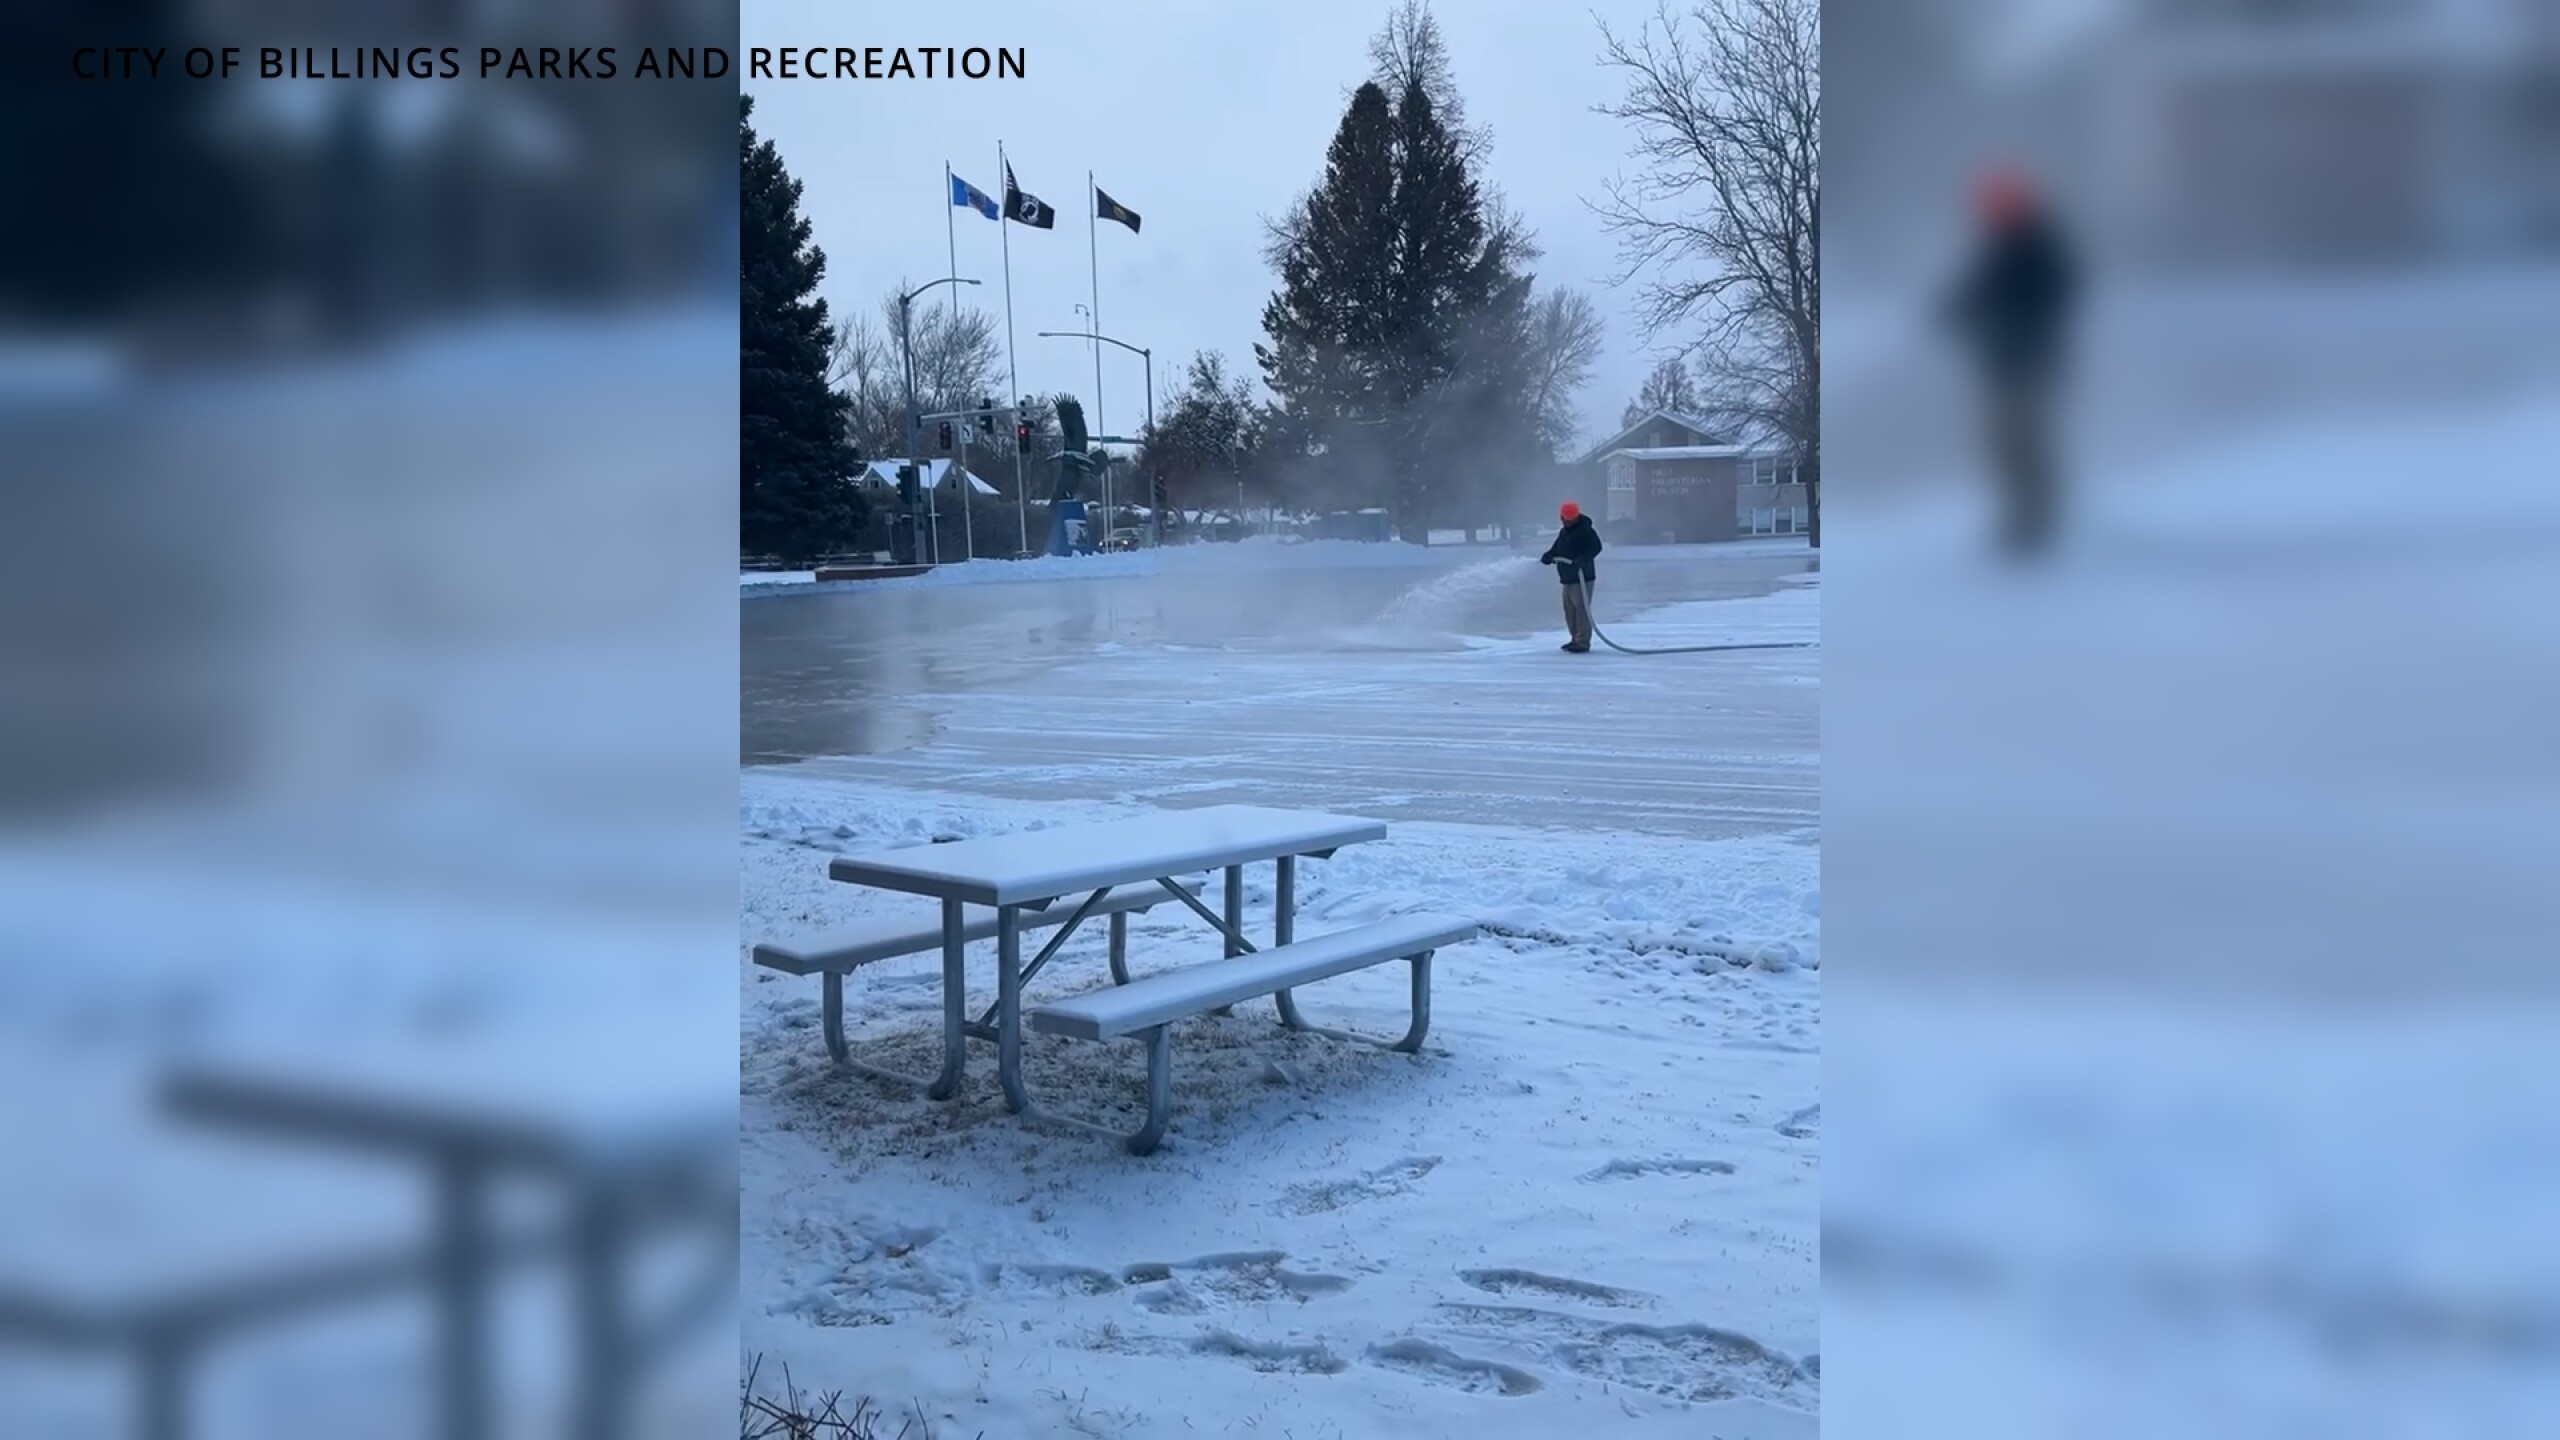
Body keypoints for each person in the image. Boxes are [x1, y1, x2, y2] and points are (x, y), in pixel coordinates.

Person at [1946, 164, 2078, 557]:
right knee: (2004, 444)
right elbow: (1975, 292)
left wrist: (2016, 322)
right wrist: (1955, 311)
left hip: (2028, 361)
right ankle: (2026, 516)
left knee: (2023, 442)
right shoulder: (2002, 252)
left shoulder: (2037, 252)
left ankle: (2036, 521)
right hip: (2003, 362)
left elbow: (2052, 297)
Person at [1539, 501, 1604, 652]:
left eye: (1569, 519)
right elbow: (1556, 549)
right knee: (1570, 611)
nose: (1567, 522)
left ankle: (1582, 642)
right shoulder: (1564, 533)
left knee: (1581, 610)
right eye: (1565, 519)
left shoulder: (1585, 530)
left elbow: (1596, 547)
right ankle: (1575, 638)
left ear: (1576, 517)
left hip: (1582, 578)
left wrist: (1582, 559)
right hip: (1567, 578)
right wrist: (1549, 555)